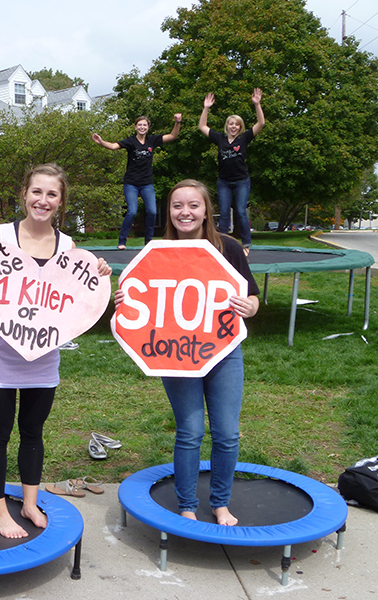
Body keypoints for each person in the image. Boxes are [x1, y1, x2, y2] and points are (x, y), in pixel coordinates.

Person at [0, 163, 112, 539]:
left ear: (61, 201)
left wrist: (96, 273)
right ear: (25, 194)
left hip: (43, 357)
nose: (43, 200)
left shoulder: (68, 246)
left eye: (52, 194)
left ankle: (30, 503)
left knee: (33, 432)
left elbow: (77, 299)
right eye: (37, 192)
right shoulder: (0, 234)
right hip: (0, 355)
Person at [114, 179, 259, 526]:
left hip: (223, 351)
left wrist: (250, 308)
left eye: (193, 205)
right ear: (169, 211)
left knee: (227, 432)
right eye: (177, 205)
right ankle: (187, 505)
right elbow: (139, 296)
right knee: (190, 431)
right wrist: (123, 302)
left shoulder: (229, 248)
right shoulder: (157, 251)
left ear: (207, 209)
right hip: (175, 354)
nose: (185, 212)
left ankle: (220, 503)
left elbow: (252, 296)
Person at [92, 113, 183, 249]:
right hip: (131, 183)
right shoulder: (130, 141)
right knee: (132, 211)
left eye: (144, 125)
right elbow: (113, 146)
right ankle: (122, 241)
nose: (142, 127)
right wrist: (101, 142)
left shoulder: (152, 141)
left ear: (148, 127)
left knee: (152, 211)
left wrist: (177, 122)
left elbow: (172, 136)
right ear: (135, 127)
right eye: (139, 125)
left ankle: (148, 242)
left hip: (147, 183)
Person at [198, 88, 265, 250]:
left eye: (236, 124)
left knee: (241, 212)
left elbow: (261, 123)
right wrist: (206, 108)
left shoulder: (244, 138)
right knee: (224, 214)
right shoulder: (220, 138)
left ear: (240, 127)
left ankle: (246, 244)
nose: (233, 126)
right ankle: (222, 244)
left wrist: (257, 104)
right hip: (224, 181)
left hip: (241, 180)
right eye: (231, 123)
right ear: (227, 126)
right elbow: (202, 126)